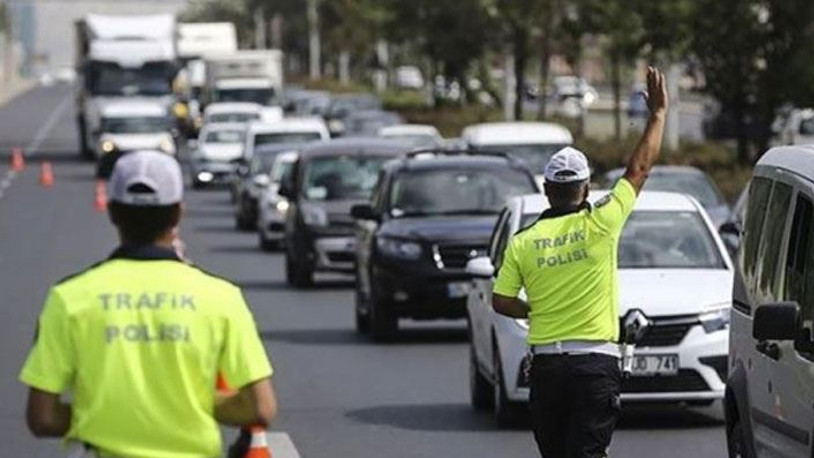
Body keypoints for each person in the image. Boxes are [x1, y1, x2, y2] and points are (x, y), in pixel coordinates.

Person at [19, 150, 277, 457]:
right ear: (178, 213)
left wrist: (108, 412)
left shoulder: (69, 298)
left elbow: (42, 417)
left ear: (112, 211)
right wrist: (181, 404)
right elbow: (260, 408)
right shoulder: (221, 298)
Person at [492, 66, 668, 458]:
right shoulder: (603, 222)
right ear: (587, 188)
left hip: (547, 369)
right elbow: (639, 169)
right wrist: (657, 116)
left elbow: (500, 300)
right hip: (595, 365)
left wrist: (535, 308)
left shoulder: (524, 241)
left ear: (546, 190)